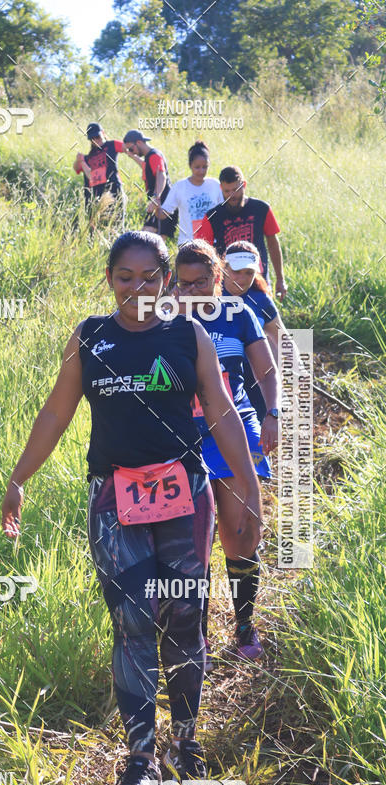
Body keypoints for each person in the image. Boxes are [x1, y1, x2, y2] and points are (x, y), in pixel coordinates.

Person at [1, 231, 262, 785]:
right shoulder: (91, 337)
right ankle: (140, 761)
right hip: (114, 497)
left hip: (184, 492)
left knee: (186, 614)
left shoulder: (187, 334)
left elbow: (219, 410)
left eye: (149, 277)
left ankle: (186, 745)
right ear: (110, 278)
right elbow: (56, 410)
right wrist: (19, 478)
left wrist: (246, 486)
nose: (137, 288)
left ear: (167, 280)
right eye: (125, 276)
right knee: (134, 622)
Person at [173, 240, 280, 667]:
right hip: (182, 438)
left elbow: (267, 370)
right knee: (191, 545)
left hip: (234, 434)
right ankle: (195, 637)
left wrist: (273, 413)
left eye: (202, 282)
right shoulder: (163, 319)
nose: (194, 291)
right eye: (184, 284)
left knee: (240, 535)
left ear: (218, 278)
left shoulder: (240, 314)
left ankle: (244, 625)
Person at [221, 240, 291, 421]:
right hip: (219, 379)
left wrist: (296, 377)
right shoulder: (209, 294)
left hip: (255, 380)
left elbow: (283, 339)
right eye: (236, 271)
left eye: (249, 273)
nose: (242, 279)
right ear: (224, 267)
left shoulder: (260, 300)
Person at [198, 166, 288, 299]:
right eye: (227, 191)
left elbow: (273, 243)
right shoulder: (212, 216)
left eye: (235, 190)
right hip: (227, 284)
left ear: (244, 185)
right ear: (221, 189)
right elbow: (203, 254)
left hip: (258, 278)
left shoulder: (261, 209)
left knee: (264, 317)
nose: (231, 195)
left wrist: (280, 279)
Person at [148, 140, 223, 245]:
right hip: (187, 243)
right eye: (197, 167)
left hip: (212, 243)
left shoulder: (215, 185)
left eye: (205, 167)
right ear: (190, 165)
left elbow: (224, 211)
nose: (201, 171)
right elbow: (162, 214)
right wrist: (156, 206)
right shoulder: (180, 186)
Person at [122, 129, 177, 239]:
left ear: (139, 143)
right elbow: (146, 166)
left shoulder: (154, 156)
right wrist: (133, 157)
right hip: (159, 202)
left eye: (131, 148)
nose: (132, 151)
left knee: (150, 241)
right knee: (148, 241)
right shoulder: (149, 157)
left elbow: (161, 175)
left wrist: (156, 197)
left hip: (163, 203)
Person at [73, 123, 126, 231]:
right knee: (94, 228)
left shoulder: (112, 145)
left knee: (117, 224)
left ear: (103, 133)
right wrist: (79, 160)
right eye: (93, 138)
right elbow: (76, 169)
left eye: (98, 137)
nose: (96, 140)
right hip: (94, 196)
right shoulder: (88, 157)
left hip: (113, 191)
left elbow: (129, 148)